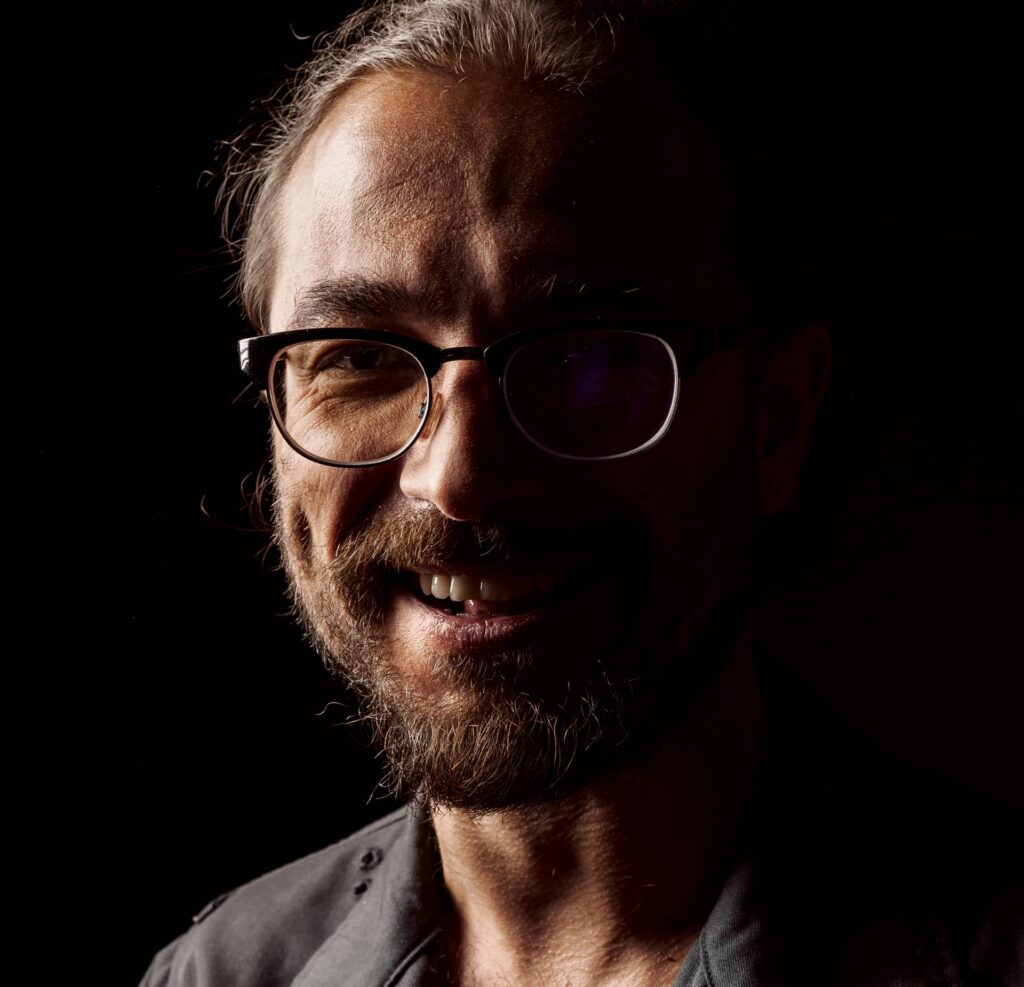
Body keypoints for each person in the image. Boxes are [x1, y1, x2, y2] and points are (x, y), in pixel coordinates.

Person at [141, 1, 1021, 984]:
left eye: (582, 357)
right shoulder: (216, 973)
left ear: (773, 421)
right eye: (357, 358)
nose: (456, 477)